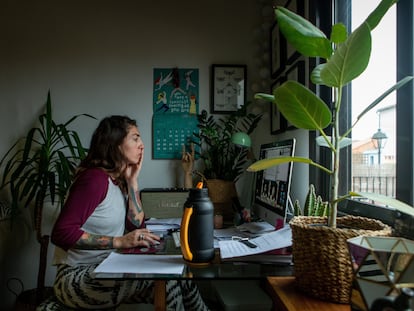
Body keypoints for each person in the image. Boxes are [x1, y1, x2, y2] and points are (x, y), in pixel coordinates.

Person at [37, 115, 209, 310]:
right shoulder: (94, 180)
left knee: (182, 276)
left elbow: (137, 228)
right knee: (168, 280)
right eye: (135, 138)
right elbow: (61, 233)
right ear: (115, 143)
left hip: (106, 269)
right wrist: (119, 241)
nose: (142, 145)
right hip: (76, 279)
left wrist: (133, 182)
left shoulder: (117, 183)